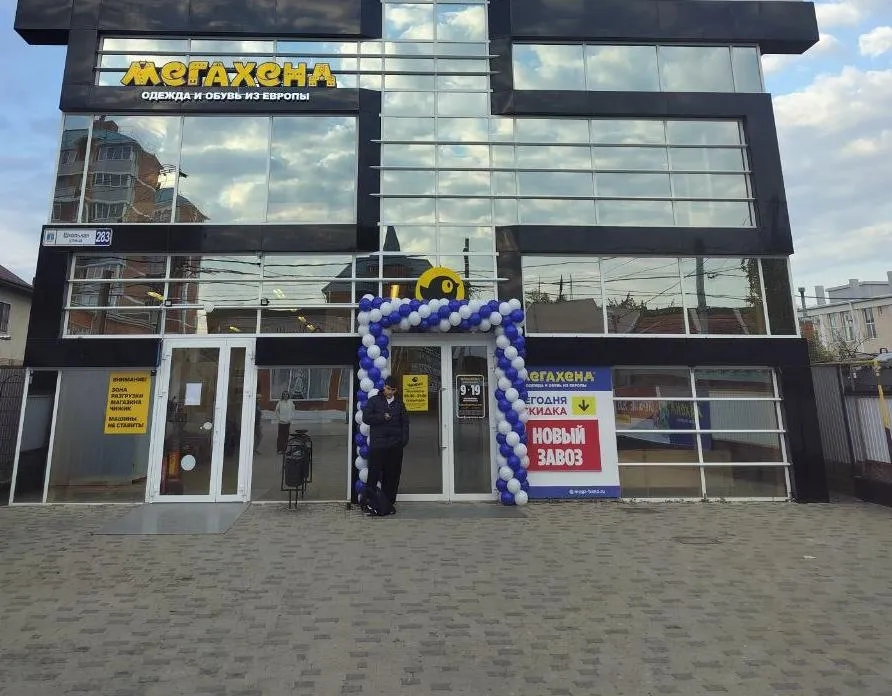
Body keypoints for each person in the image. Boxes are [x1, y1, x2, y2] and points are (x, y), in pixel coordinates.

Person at [362, 376, 410, 515]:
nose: (390, 392)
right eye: (388, 389)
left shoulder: (399, 403)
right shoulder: (374, 401)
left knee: (392, 476)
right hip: (378, 445)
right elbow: (366, 418)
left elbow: (405, 423)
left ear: (396, 390)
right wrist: (381, 417)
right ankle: (369, 504)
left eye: (393, 390)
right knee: (373, 475)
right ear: (384, 387)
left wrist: (403, 440)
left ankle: (388, 504)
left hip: (395, 446)